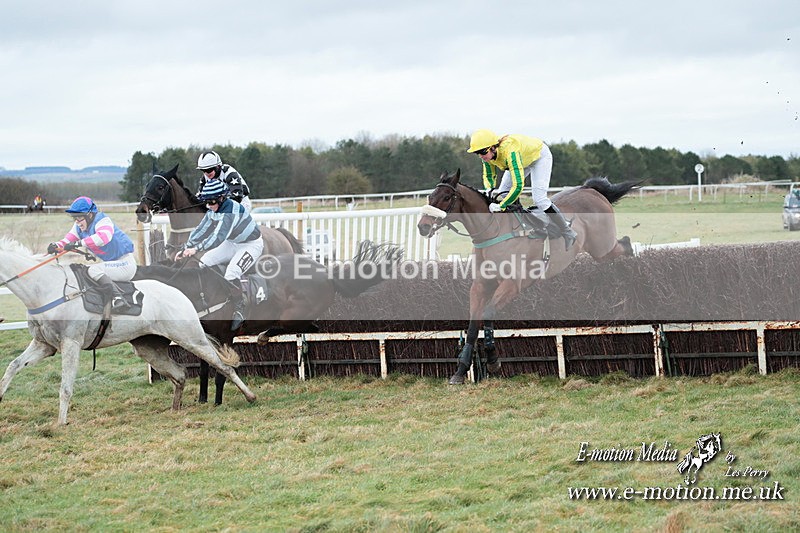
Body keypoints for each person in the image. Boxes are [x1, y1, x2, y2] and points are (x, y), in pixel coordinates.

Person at [467, 129, 577, 250]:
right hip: (522, 159)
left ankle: (567, 230)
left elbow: (518, 186)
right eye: (477, 153)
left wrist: (502, 206)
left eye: (483, 152)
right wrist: (489, 189)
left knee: (539, 199)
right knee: (503, 192)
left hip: (539, 157)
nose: (481, 156)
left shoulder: (510, 152)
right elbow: (489, 176)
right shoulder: (487, 157)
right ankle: (522, 222)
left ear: (493, 147)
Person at [176, 180, 263, 331]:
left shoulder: (230, 210)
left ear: (222, 198)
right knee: (204, 262)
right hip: (232, 243)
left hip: (250, 245)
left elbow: (218, 237)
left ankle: (239, 308)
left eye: (211, 202)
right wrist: (186, 247)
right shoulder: (213, 209)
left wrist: (196, 249)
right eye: (206, 202)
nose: (209, 205)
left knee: (231, 273)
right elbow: (201, 230)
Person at [48, 196, 136, 308]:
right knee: (85, 270)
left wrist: (78, 243)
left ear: (89, 215)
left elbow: (103, 238)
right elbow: (67, 241)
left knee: (93, 270)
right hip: (112, 264)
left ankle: (118, 298)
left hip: (125, 264)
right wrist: (56, 245)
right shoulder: (79, 226)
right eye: (75, 218)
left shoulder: (103, 220)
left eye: (80, 218)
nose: (77, 222)